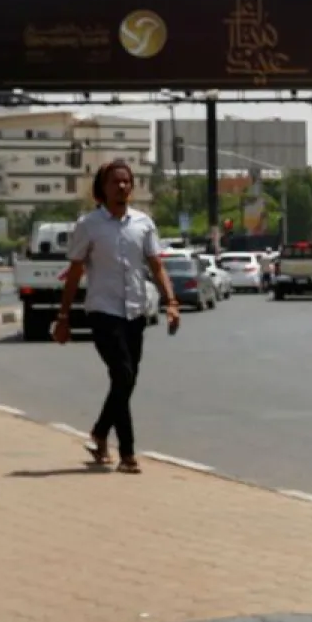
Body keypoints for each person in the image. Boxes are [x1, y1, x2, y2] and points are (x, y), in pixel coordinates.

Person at [52, 159, 181, 473]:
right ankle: (127, 453)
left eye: (126, 181)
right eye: (115, 182)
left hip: (135, 311)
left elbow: (156, 265)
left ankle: (100, 434)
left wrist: (171, 302)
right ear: (103, 188)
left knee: (126, 379)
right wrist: (64, 316)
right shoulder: (89, 225)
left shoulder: (143, 223)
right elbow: (75, 272)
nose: (121, 186)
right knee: (123, 374)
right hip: (102, 310)